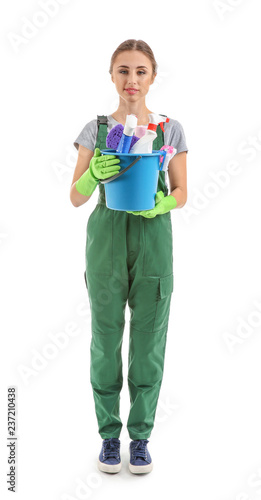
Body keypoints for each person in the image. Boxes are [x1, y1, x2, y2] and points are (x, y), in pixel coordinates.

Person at [70, 39, 188, 475]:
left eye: (140, 71)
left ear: (153, 76)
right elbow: (74, 197)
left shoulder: (170, 130)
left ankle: (139, 439)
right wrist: (89, 180)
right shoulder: (95, 130)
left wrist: (163, 204)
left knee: (149, 342)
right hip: (105, 236)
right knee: (105, 339)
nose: (131, 80)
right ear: (112, 76)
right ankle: (107, 437)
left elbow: (182, 192)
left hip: (153, 235)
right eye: (123, 71)